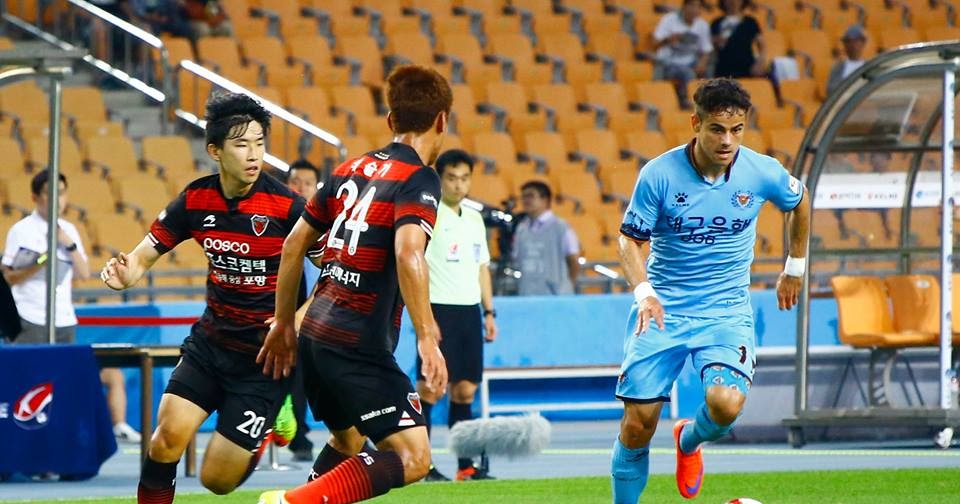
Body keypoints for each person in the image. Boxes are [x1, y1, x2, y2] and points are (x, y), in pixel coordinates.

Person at [100, 92, 310, 503]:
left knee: (216, 481)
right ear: (215, 150)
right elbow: (143, 256)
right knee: (164, 441)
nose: (253, 155)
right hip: (210, 345)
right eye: (241, 144)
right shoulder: (196, 199)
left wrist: (293, 322)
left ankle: (262, 430)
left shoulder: (288, 206)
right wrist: (126, 274)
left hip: (264, 360)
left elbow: (332, 276)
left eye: (259, 143)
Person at [256, 63, 452, 504]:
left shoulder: (349, 168)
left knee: (347, 443)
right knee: (414, 457)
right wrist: (427, 337)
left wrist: (285, 324)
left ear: (390, 120)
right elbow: (408, 252)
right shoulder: (420, 178)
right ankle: (289, 503)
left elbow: (292, 247)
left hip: (316, 335)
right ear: (442, 120)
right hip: (357, 342)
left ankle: (301, 497)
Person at [610, 78, 810, 502]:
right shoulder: (659, 175)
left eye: (736, 130)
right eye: (717, 129)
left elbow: (799, 201)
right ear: (695, 124)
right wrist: (643, 290)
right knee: (638, 425)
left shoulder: (761, 171)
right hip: (664, 308)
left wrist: (795, 265)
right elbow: (629, 240)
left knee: (725, 405)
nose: (727, 140)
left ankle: (688, 440)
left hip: (726, 311)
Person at [2, 170, 141, 444]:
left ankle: (58, 441)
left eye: (61, 193)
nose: (57, 199)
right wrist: (39, 263)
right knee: (29, 381)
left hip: (63, 319)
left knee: (59, 384)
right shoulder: (21, 230)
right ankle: (27, 441)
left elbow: (84, 272)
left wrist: (68, 243)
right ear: (35, 197)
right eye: (49, 193)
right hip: (29, 317)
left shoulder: (69, 230)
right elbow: (7, 277)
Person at [415, 149, 498, 482]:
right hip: (438, 310)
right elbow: (414, 265)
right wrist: (425, 317)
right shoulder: (427, 215)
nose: (459, 184)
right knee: (431, 389)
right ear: (440, 179)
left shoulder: (475, 218)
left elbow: (482, 269)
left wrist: (489, 312)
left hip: (469, 313)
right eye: (452, 177)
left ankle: (466, 466)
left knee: (465, 391)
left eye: (465, 178)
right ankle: (423, 464)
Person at [283, 158, 323, 462]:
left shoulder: (332, 225)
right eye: (295, 182)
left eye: (307, 183)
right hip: (287, 314)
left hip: (322, 312)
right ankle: (297, 437)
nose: (301, 188)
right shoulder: (279, 222)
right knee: (291, 376)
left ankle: (356, 440)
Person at [511, 181, 580, 295]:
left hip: (555, 297)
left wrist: (566, 287)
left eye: (531, 196)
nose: (525, 200)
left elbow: (574, 261)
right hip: (527, 296)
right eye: (523, 196)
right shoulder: (521, 229)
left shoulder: (561, 227)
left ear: (545, 200)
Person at [653, 0, 712, 109]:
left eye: (697, 7)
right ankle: (688, 102)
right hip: (670, 62)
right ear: (684, 7)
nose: (694, 9)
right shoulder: (669, 20)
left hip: (690, 61)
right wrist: (669, 39)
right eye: (691, 5)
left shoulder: (702, 25)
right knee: (688, 74)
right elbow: (655, 42)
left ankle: (709, 105)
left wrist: (702, 64)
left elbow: (706, 50)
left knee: (708, 74)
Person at [710, 0, 766, 79]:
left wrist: (759, 62)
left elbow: (762, 45)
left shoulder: (750, 22)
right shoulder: (716, 23)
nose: (733, 2)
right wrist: (715, 42)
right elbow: (711, 47)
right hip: (724, 67)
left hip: (747, 67)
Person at [826, 24, 868, 95]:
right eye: (848, 41)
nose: (852, 45)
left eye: (856, 41)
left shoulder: (870, 66)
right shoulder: (837, 67)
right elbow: (831, 90)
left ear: (863, 43)